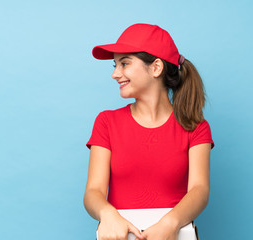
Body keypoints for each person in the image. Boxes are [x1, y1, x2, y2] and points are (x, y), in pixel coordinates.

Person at [84, 23, 214, 240]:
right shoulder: (107, 122)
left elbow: (199, 190)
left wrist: (170, 224)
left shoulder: (196, 126)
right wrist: (107, 214)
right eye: (115, 65)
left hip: (174, 233)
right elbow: (93, 191)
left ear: (156, 68)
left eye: (124, 63)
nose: (115, 74)